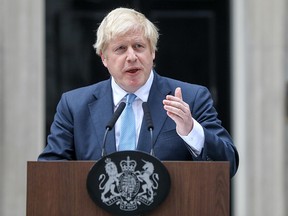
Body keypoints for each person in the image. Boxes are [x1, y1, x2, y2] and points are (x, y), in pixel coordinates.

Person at [38, 7, 239, 177]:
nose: (132, 56)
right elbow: (49, 174)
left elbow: (227, 165)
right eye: (120, 49)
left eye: (139, 46)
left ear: (152, 52)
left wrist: (190, 130)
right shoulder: (74, 106)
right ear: (104, 58)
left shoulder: (191, 99)